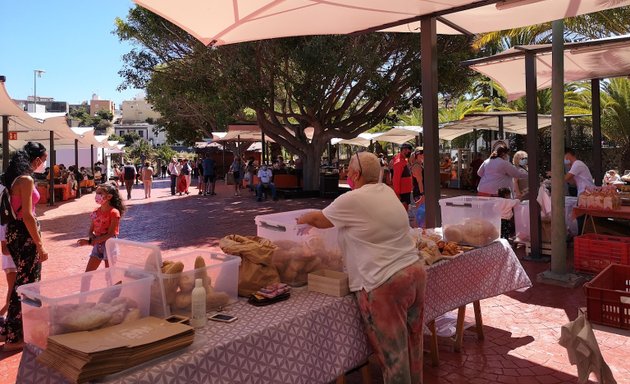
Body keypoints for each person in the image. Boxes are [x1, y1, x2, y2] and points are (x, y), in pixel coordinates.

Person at [297, 152, 426, 384]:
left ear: (355, 174)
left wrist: (298, 219)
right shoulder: (386, 191)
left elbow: (320, 219)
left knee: (394, 357)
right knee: (413, 345)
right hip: (414, 272)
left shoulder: (353, 199)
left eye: (348, 169)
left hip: (385, 283)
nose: (346, 173)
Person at [0, 142, 49, 351]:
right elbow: (28, 215)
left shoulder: (12, 178)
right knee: (28, 285)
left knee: (22, 281)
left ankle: (14, 330)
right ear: (36, 159)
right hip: (24, 234)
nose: (44, 163)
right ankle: (16, 336)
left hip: (14, 232)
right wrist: (40, 245)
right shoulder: (26, 180)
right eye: (44, 159)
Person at [76, 183, 125, 272]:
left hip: (110, 245)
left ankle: (117, 286)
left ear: (109, 197)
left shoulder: (114, 212)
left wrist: (89, 242)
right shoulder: (95, 212)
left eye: (100, 193)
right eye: (96, 193)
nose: (97, 195)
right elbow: (91, 230)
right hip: (98, 245)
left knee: (111, 275)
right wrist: (91, 237)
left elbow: (110, 234)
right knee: (87, 274)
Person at [0, 225, 16, 320]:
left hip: (14, 261)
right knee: (13, 290)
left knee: (14, 291)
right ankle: (3, 315)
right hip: (11, 262)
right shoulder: (4, 221)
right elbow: (4, 249)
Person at [392, 143, 413, 210]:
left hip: (406, 190)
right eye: (405, 149)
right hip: (402, 192)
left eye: (409, 149)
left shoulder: (404, 160)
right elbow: (396, 179)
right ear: (401, 150)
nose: (408, 151)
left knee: (405, 209)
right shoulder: (399, 162)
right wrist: (397, 193)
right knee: (403, 210)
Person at [410, 149, 425, 228]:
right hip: (419, 192)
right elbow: (419, 181)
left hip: (419, 191)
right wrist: (422, 194)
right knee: (420, 213)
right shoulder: (417, 166)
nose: (424, 156)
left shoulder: (419, 165)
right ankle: (417, 231)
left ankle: (419, 231)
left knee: (421, 213)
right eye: (422, 155)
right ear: (418, 156)